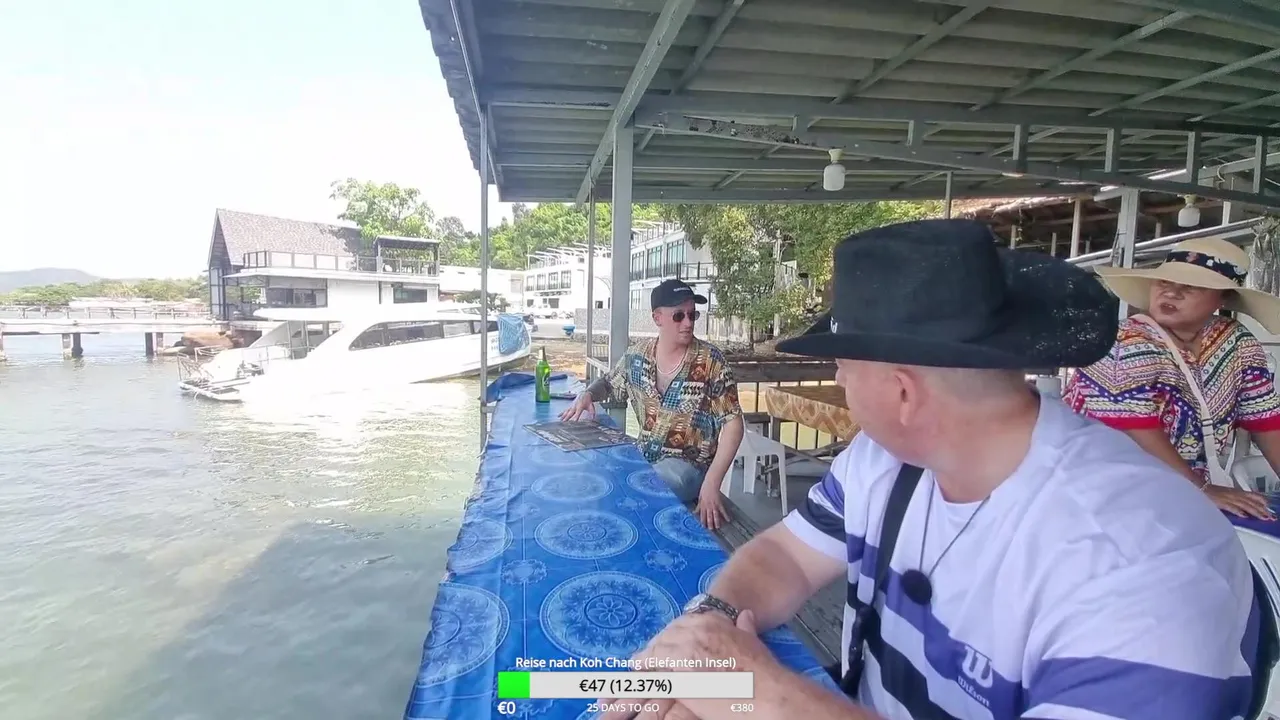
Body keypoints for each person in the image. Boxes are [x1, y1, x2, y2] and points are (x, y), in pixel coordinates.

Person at [598, 220, 1263, 720]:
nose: (838, 381)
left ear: (902, 393)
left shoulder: (1138, 568)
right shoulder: (885, 459)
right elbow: (786, 558)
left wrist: (761, 692)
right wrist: (711, 628)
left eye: (843, 367)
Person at [1064, 237, 1280, 520]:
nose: (1171, 292)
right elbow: (1133, 425)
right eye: (1164, 282)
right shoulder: (1122, 340)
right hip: (1096, 495)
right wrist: (1200, 488)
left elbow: (1265, 420)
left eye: (1191, 286)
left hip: (1174, 495)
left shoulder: (1237, 342)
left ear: (1223, 298)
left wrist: (1195, 489)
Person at [560, 279, 744, 529]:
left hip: (689, 468)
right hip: (644, 457)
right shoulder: (638, 356)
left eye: (692, 315)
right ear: (657, 318)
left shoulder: (712, 361)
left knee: (635, 491)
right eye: (678, 315)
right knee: (591, 473)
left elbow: (733, 424)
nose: (688, 322)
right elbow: (609, 383)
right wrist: (588, 395)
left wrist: (712, 483)